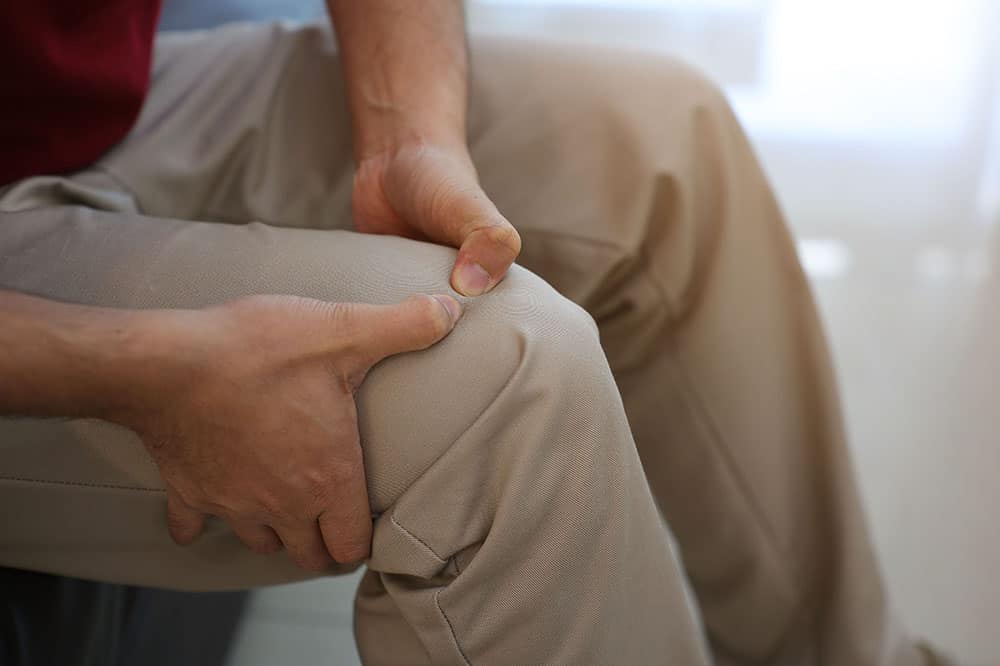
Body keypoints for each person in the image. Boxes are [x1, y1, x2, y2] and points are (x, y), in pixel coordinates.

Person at [0, 2, 941, 664]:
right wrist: (141, 367)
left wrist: (410, 136)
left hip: (96, 108)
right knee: (509, 379)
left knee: (662, 142)